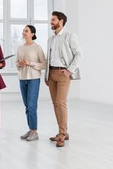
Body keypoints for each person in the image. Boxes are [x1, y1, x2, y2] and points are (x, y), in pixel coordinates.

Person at [45, 11, 83, 147]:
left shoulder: (70, 36)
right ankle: (63, 132)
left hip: (63, 73)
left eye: (53, 20)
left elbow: (79, 54)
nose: (51, 22)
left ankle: (61, 134)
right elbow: (48, 58)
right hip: (52, 73)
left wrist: (69, 70)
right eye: (51, 20)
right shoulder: (51, 38)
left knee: (61, 103)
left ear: (61, 21)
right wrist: (46, 75)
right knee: (55, 104)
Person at [16, 25, 46, 141]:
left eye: (26, 31)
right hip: (22, 78)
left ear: (32, 34)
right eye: (23, 30)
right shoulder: (20, 48)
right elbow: (16, 63)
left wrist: (31, 63)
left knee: (32, 105)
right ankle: (31, 129)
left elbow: (43, 64)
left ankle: (35, 132)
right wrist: (20, 64)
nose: (24, 32)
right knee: (27, 106)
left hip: (33, 79)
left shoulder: (37, 48)